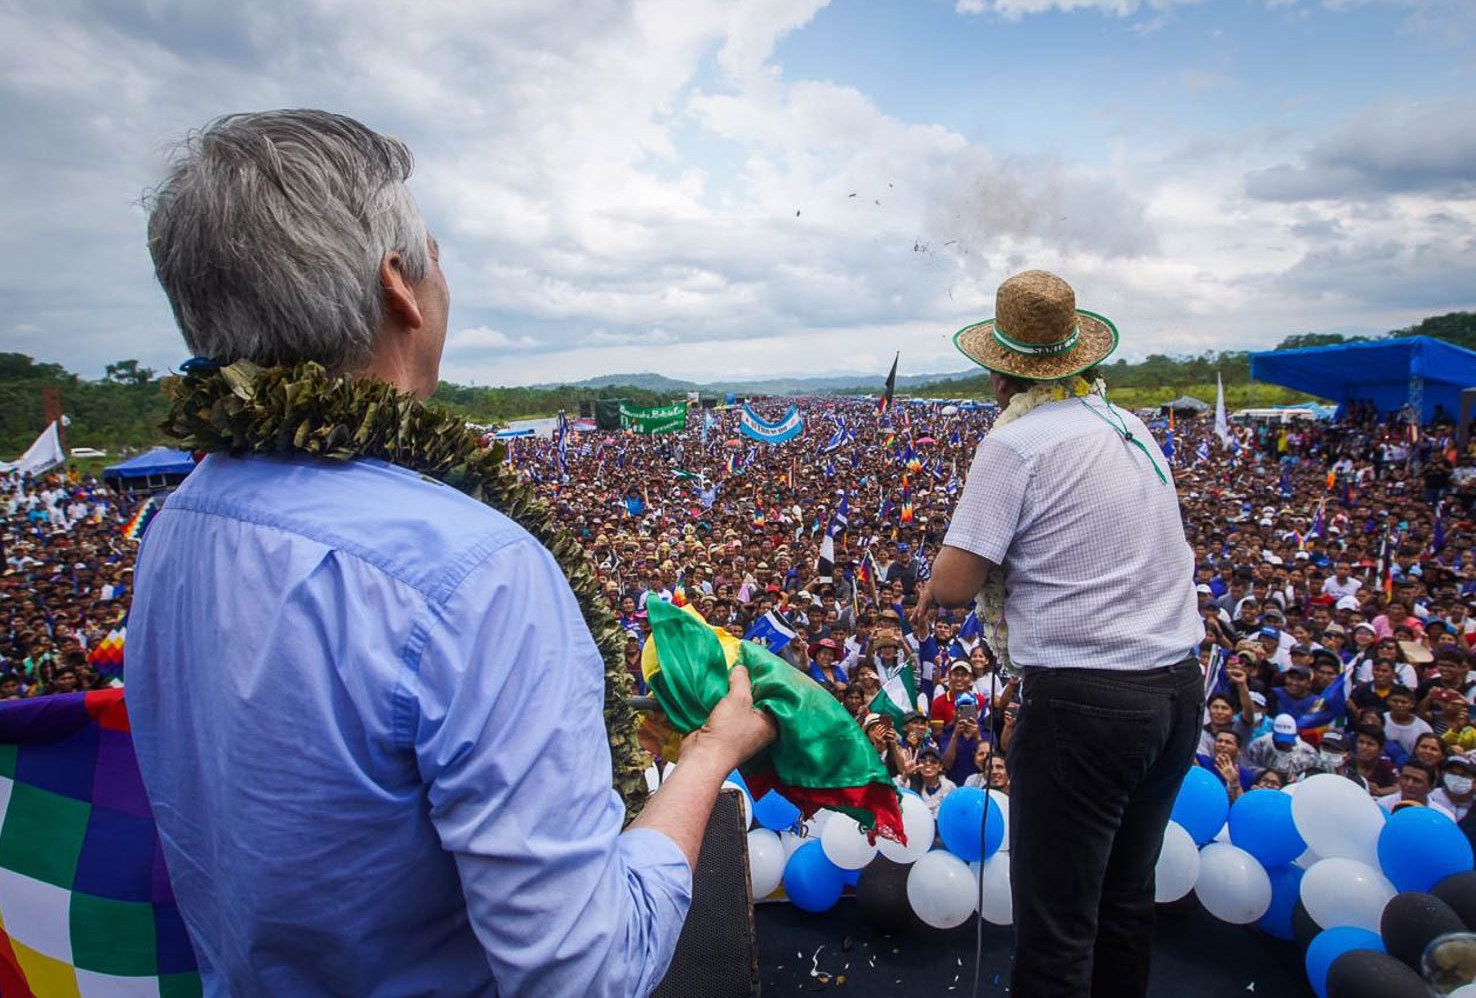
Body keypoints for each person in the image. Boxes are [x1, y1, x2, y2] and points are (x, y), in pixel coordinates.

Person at [126, 110, 777, 997]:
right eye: (434, 250)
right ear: (399, 286)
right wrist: (708, 754)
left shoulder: (176, 523)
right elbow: (584, 973)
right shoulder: (475, 574)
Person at [917, 270, 1203, 997]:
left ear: (999, 373)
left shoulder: (1017, 444)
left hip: (1086, 705)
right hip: (1175, 691)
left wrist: (929, 590)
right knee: (1123, 901)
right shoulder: (1130, 427)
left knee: (1057, 928)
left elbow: (953, 585)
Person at [1244, 714, 1319, 781]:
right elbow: (1248, 768)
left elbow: (1313, 777)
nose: (1284, 743)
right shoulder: (1259, 745)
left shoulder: (1308, 753)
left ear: (1295, 733)